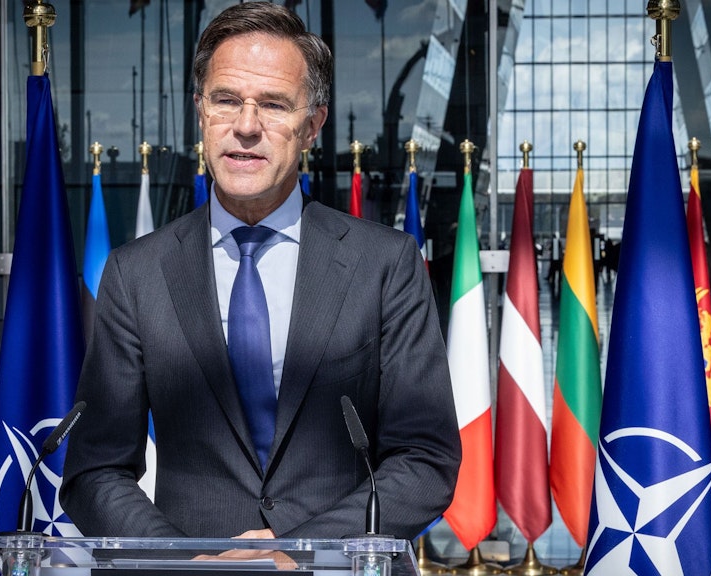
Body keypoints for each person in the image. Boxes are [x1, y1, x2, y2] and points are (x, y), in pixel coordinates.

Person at [60, 1, 460, 541]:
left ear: (312, 124)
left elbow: (425, 459)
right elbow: (95, 470)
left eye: (273, 105)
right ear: (201, 109)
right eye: (226, 100)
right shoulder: (137, 275)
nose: (246, 127)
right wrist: (186, 560)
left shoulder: (385, 265)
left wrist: (299, 550)